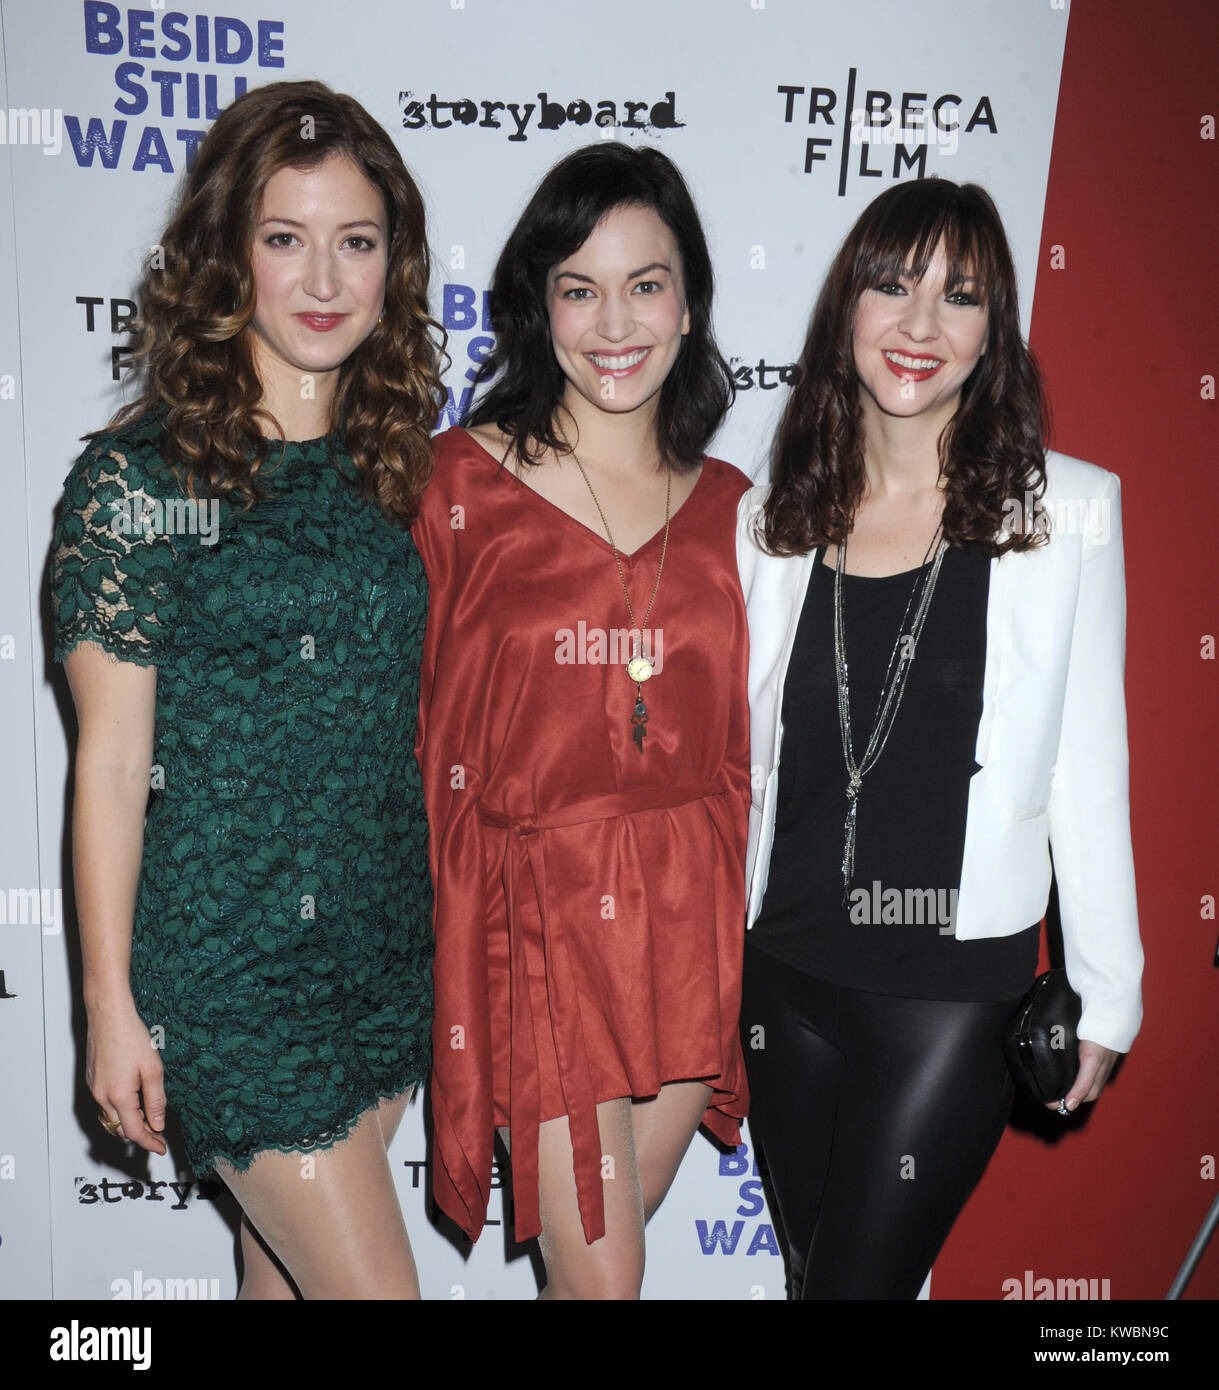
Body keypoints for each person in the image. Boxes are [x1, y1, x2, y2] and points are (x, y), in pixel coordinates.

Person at [50, 80, 444, 1300]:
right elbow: (111, 764)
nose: (324, 278)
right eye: (285, 239)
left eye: (356, 241)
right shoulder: (136, 485)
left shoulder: (398, 465)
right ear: (228, 258)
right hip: (228, 975)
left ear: (395, 263)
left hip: (381, 958)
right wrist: (109, 1007)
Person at [736, 178, 1143, 1299]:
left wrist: (1108, 990)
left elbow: (1086, 765)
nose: (920, 325)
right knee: (815, 1275)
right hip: (780, 974)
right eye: (892, 285)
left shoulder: (1064, 515)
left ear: (990, 332)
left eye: (958, 296)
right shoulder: (771, 517)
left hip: (949, 991)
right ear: (845, 309)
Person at [414, 142, 750, 1299]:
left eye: (645, 283)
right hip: (540, 925)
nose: (614, 321)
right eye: (578, 286)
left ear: (689, 299)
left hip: (684, 925)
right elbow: (399, 728)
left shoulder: (735, 513)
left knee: (588, 1271)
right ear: (537, 304)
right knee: (606, 1280)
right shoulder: (455, 487)